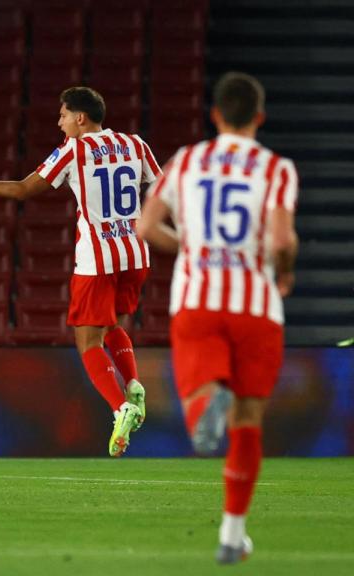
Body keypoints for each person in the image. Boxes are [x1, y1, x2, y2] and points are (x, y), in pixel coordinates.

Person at [0, 86, 162, 457]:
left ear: (80, 118)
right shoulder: (135, 144)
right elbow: (161, 189)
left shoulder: (74, 149)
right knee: (113, 326)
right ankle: (134, 384)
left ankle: (120, 406)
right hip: (135, 252)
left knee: (88, 341)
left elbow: (21, 190)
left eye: (63, 116)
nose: (59, 123)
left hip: (97, 258)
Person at [137, 72, 298, 564]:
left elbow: (146, 225)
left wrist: (190, 248)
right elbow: (281, 241)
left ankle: (204, 403)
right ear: (260, 118)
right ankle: (231, 536)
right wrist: (284, 275)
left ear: (216, 115)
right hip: (256, 305)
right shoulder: (276, 168)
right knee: (248, 421)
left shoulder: (186, 160)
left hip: (199, 299)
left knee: (199, 389)